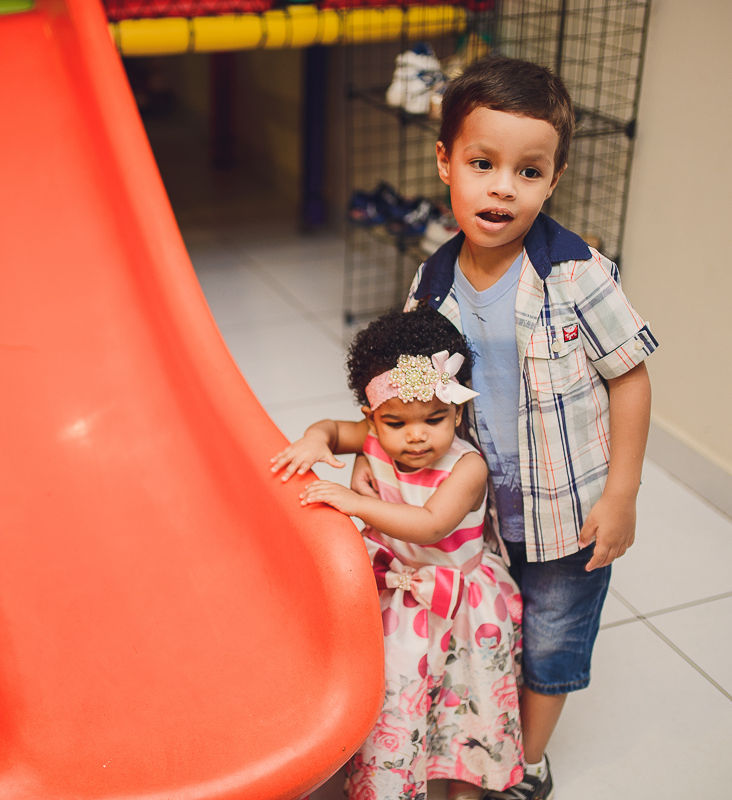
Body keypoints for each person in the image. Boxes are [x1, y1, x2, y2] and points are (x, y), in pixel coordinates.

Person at [351, 55, 658, 800]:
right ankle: (475, 740)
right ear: (445, 162)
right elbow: (415, 393)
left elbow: (631, 377)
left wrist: (621, 494)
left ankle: (528, 764)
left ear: (553, 181)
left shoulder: (578, 274)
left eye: (528, 171)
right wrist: (361, 449)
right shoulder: (432, 283)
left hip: (569, 511)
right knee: (492, 625)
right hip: (478, 511)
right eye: (482, 163)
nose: (502, 187)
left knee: (551, 641)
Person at [272, 307, 524, 800]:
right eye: (396, 422)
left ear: (457, 412)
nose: (416, 435)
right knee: (393, 697)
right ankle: (384, 779)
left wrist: (355, 503)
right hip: (392, 595)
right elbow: (330, 428)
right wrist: (314, 440)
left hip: (456, 606)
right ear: (372, 417)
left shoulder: (466, 468)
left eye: (434, 419)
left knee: (464, 701)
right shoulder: (373, 439)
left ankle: (464, 785)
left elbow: (432, 525)